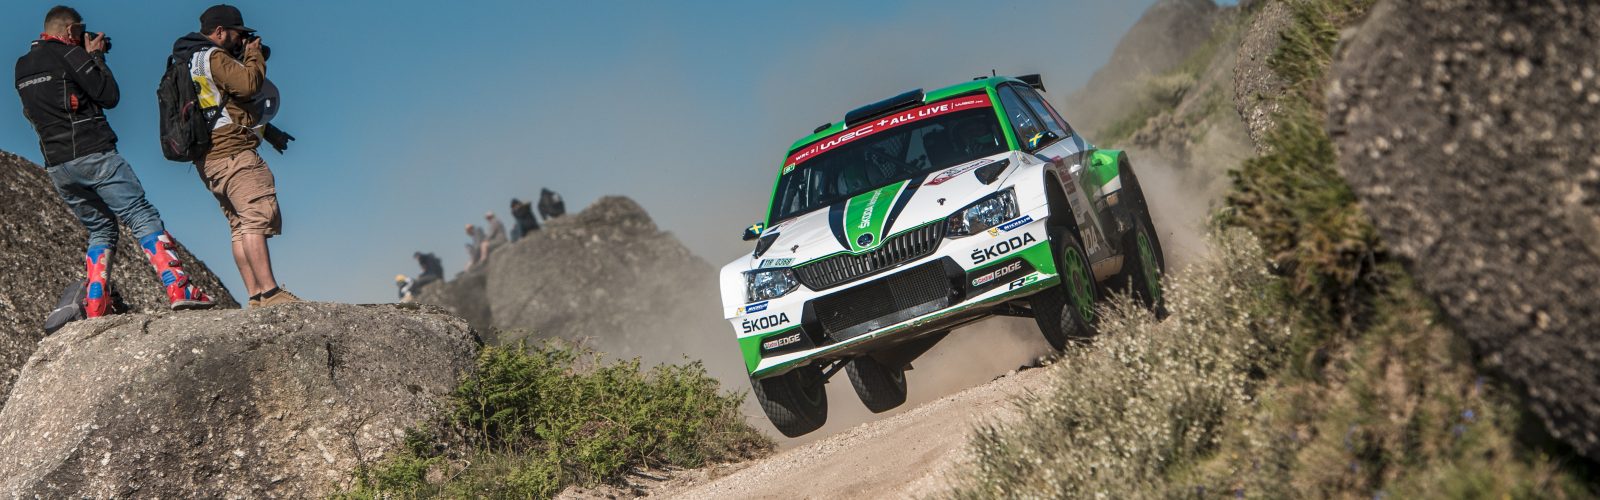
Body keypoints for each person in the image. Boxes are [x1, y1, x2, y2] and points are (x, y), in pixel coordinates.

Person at [15, 5, 215, 318]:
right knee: (140, 213)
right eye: (81, 31)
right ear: (71, 31)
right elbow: (109, 95)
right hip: (93, 152)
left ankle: (96, 303)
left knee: (101, 228)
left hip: (57, 164)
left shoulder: (22, 65)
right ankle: (179, 287)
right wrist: (95, 56)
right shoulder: (71, 54)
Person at [173, 4, 299, 308]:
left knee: (239, 226)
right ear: (219, 31)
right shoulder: (214, 57)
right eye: (237, 33)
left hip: (209, 158)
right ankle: (271, 293)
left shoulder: (189, 61)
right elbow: (248, 86)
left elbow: (224, 107)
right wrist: (254, 55)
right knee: (255, 217)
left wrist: (269, 132)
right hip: (234, 153)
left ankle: (255, 295)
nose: (240, 39)